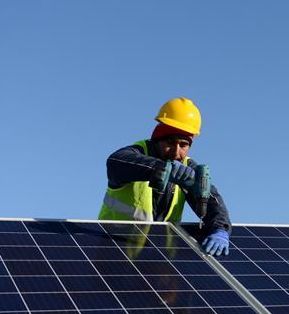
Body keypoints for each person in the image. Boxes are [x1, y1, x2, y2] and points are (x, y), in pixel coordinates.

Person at [98, 97, 231, 256]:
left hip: (158, 259)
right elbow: (115, 163)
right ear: (157, 139)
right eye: (170, 142)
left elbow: (210, 197)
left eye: (183, 145)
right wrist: (159, 169)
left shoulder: (189, 168)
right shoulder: (134, 154)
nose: (176, 152)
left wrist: (220, 229)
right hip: (113, 249)